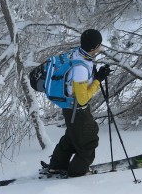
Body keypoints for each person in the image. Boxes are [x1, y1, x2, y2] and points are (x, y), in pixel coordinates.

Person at [47, 29, 112, 177]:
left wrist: (96, 74)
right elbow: (83, 98)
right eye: (99, 45)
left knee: (72, 136)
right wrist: (98, 80)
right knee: (89, 141)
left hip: (70, 109)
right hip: (78, 109)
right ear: (92, 48)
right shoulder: (81, 68)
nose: (100, 48)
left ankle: (56, 166)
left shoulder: (78, 54)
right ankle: (77, 171)